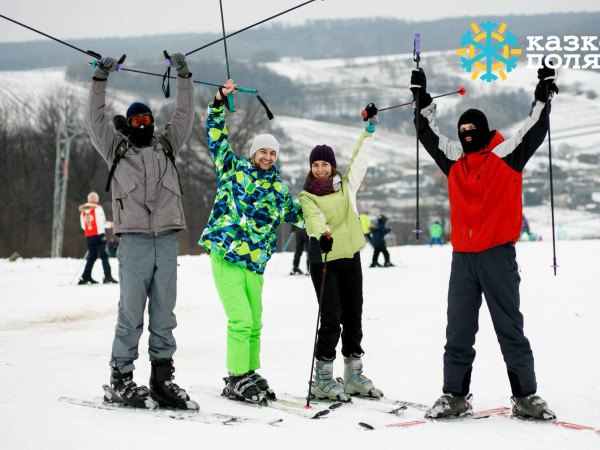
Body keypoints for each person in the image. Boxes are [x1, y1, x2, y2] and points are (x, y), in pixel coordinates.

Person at [409, 64, 559, 420]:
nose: (466, 134)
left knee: (510, 329)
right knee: (458, 330)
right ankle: (454, 397)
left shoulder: (506, 156)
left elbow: (535, 129)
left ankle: (526, 397)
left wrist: (543, 94)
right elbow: (428, 135)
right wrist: (420, 100)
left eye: (472, 129)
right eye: (462, 130)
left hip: (496, 256)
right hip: (463, 259)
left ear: (485, 130)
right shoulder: (455, 160)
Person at [85, 53, 197, 410]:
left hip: (166, 240)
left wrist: (184, 74)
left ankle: (162, 380)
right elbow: (94, 118)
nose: (144, 123)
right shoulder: (115, 150)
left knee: (165, 314)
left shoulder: (167, 145)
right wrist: (100, 78)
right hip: (133, 243)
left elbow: (184, 114)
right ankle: (121, 378)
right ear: (128, 125)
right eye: (137, 120)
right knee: (131, 313)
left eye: (148, 118)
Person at [199, 79, 304, 404]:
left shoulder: (279, 190)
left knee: (255, 322)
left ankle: (249, 370)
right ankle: (235, 377)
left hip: (255, 263)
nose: (268, 156)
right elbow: (216, 136)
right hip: (227, 254)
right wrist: (219, 101)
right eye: (263, 151)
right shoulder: (233, 170)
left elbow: (300, 215)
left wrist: (329, 214)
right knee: (240, 319)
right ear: (253, 152)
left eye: (272, 152)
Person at [299, 103, 383, 402]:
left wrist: (369, 129)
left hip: (350, 256)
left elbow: (360, 158)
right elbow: (312, 219)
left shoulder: (347, 186)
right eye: (315, 165)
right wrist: (322, 236)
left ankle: (352, 374)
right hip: (324, 258)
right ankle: (322, 377)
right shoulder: (307, 195)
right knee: (332, 317)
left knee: (354, 316)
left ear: (332, 166)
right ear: (311, 168)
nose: (320, 169)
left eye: (325, 164)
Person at [78, 192, 118, 284]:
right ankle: (107, 276)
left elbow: (83, 226)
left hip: (89, 236)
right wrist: (113, 224)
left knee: (92, 257)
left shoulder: (83, 210)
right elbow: (102, 222)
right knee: (104, 256)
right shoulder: (98, 208)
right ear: (96, 200)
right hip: (99, 235)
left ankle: (86, 276)